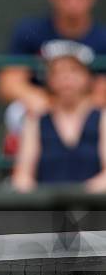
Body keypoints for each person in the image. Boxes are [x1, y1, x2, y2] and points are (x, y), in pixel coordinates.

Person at [0, 0, 106, 135]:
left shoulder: (102, 38)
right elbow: (8, 84)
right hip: (40, 111)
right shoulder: (30, 31)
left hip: (88, 115)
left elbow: (101, 92)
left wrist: (75, 106)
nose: (73, 1)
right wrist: (42, 100)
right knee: (16, 111)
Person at [12, 40, 106, 192]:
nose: (66, 78)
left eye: (74, 71)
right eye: (58, 72)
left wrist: (80, 198)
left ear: (88, 77)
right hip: (46, 211)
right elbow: (22, 175)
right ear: (49, 79)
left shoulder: (102, 117)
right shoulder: (35, 119)